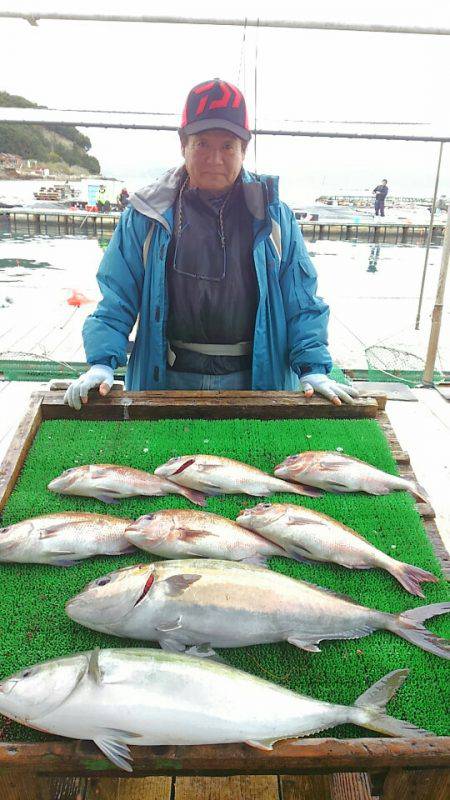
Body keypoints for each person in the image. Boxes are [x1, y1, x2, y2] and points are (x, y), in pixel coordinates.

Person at [64, 78, 359, 410]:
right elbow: (117, 297)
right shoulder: (146, 216)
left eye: (228, 146)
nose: (215, 159)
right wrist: (101, 363)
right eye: (202, 143)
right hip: (167, 378)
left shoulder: (275, 217)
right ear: (183, 144)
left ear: (244, 149)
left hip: (255, 379)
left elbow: (301, 300)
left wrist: (313, 369)